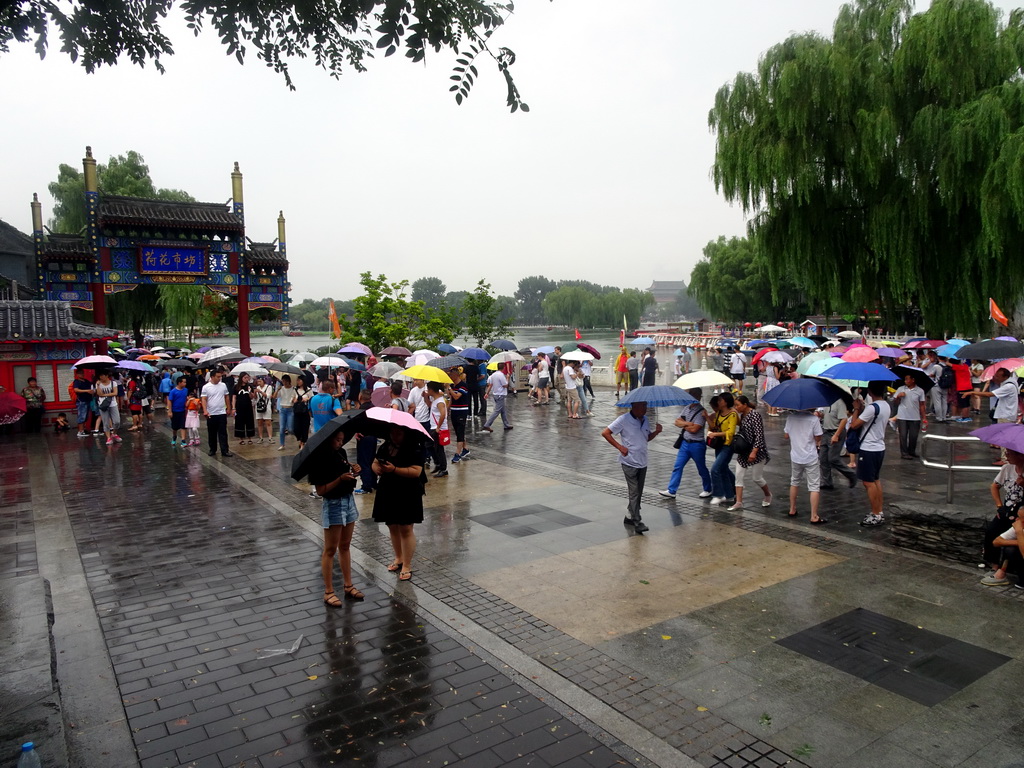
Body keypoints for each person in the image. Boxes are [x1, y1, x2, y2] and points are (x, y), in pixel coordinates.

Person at [309, 429, 364, 604]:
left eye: (342, 440)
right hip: (333, 504)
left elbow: (347, 474)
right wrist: (340, 479)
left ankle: (348, 585)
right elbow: (321, 490)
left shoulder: (341, 453)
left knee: (346, 545)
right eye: (337, 440)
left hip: (348, 500)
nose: (340, 443)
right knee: (330, 549)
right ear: (329, 440)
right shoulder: (319, 458)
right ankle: (328, 591)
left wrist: (354, 471)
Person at [372, 425, 426, 582]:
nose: (395, 436)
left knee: (405, 527)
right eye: (392, 432)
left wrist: (394, 469)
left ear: (405, 433)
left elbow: (416, 471)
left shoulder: (414, 448)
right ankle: (398, 558)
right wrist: (377, 468)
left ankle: (407, 565)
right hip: (388, 488)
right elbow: (375, 462)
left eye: (399, 433)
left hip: (408, 490)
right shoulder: (386, 446)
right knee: (392, 525)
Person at [602, 402, 662, 533]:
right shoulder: (623, 419)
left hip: (642, 461)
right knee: (634, 491)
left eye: (646, 406)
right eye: (643, 407)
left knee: (638, 492)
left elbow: (645, 438)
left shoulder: (645, 420)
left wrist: (656, 432)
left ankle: (630, 515)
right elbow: (606, 433)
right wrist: (620, 447)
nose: (645, 409)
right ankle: (637, 520)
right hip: (629, 462)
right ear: (634, 407)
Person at [659, 387, 713, 500]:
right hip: (685, 443)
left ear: (698, 396)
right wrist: (689, 423)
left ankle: (708, 489)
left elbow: (695, 429)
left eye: (694, 395)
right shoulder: (686, 408)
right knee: (677, 466)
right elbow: (677, 422)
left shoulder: (701, 412)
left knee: (701, 468)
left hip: (697, 444)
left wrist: (683, 424)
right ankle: (672, 490)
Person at [850, 380, 891, 526]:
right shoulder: (885, 405)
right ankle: (879, 511)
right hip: (879, 447)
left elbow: (854, 425)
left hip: (868, 448)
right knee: (875, 480)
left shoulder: (872, 408)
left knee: (868, 482)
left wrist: (856, 409)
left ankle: (875, 513)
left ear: (870, 392)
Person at [969, 368, 1021, 464]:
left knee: (1005, 438)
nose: (996, 377)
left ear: (1005, 377)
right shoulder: (1010, 383)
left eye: (998, 376)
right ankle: (1005, 457)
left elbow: (990, 394)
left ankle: (1005, 459)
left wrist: (972, 392)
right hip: (1005, 413)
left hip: (1006, 415)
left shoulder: (1008, 386)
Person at [783, 408, 826, 523]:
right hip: (810, 456)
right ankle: (814, 516)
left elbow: (786, 435)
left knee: (794, 482)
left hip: (796, 455)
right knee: (814, 486)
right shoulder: (814, 419)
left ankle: (792, 509)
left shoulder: (790, 418)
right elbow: (818, 437)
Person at [731, 395, 772, 511]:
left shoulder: (755, 415)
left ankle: (768, 494)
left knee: (757, 478)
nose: (736, 407)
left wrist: (754, 452)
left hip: (757, 450)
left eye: (738, 405)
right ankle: (739, 502)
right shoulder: (742, 415)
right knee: (738, 475)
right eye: (735, 405)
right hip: (744, 450)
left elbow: (759, 435)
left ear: (745, 405)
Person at [706, 393, 738, 505]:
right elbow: (714, 426)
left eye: (720, 400)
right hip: (718, 445)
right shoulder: (719, 413)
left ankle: (718, 494)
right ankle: (730, 495)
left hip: (727, 445)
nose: (718, 402)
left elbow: (731, 432)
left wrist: (716, 434)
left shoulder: (733, 414)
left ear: (725, 401)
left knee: (715, 469)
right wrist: (707, 418)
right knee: (723, 469)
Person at [819, 398, 857, 488]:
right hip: (826, 431)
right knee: (823, 458)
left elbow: (844, 419)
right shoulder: (826, 402)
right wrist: (821, 415)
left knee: (833, 458)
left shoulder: (839, 402)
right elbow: (826, 415)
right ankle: (826, 482)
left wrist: (836, 435)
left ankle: (851, 474)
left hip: (835, 431)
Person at [891, 374, 927, 459]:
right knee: (903, 435)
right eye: (905, 379)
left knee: (913, 436)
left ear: (913, 380)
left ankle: (912, 451)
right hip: (902, 416)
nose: (905, 381)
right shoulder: (901, 389)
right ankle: (904, 453)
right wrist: (898, 397)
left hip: (915, 416)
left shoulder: (920, 391)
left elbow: (922, 405)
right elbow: (895, 403)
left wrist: (924, 417)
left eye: (907, 379)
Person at [201, 369, 233, 457]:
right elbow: (203, 399)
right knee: (212, 433)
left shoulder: (223, 385)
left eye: (220, 376)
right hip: (211, 413)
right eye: (218, 377)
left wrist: (228, 407)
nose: (219, 378)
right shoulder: (206, 387)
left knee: (223, 433)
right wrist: (205, 410)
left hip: (221, 412)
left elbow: (226, 397)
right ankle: (212, 449)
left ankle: (225, 450)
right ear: (212, 377)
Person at [353, 389, 378, 495]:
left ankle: (366, 486)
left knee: (363, 462)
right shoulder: (374, 407)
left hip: (364, 438)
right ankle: (373, 482)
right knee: (371, 460)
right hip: (373, 437)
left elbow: (357, 424)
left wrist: (356, 431)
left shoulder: (362, 409)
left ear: (361, 397)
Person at [425, 381, 449, 477]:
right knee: (429, 445)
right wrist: (425, 397)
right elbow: (430, 406)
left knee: (439, 448)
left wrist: (438, 427)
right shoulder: (435, 399)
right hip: (433, 426)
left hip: (438, 428)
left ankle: (443, 468)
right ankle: (438, 464)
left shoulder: (440, 401)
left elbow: (443, 414)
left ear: (431, 390)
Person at [94, 369, 122, 446]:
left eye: (102, 375)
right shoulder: (98, 384)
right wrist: (98, 386)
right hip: (103, 404)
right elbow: (99, 394)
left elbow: (115, 393)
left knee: (117, 421)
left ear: (106, 376)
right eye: (100, 376)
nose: (101, 377)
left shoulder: (113, 383)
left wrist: (104, 395)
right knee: (105, 422)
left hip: (113, 404)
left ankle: (114, 433)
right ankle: (108, 437)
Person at [448, 369, 471, 463]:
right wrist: (447, 408)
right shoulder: (452, 386)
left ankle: (457, 453)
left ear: (456, 375)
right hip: (454, 410)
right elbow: (451, 399)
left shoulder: (463, 385)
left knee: (460, 431)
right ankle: (465, 449)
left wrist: (449, 389)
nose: (450, 377)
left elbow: (457, 396)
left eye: (451, 375)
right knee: (457, 431)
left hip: (462, 411)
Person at [481, 364, 512, 432]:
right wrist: (508, 378)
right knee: (497, 411)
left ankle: (506, 424)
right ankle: (487, 425)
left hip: (496, 394)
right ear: (503, 368)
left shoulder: (493, 375)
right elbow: (505, 385)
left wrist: (487, 393)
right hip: (500, 394)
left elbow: (490, 385)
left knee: (503, 410)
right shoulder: (501, 375)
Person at [923, 350, 948, 423]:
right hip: (946, 385)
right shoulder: (947, 366)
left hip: (936, 385)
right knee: (944, 402)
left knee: (937, 402)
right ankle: (944, 417)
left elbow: (931, 374)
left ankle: (939, 417)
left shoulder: (936, 366)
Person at [233, 373, 256, 445]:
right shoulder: (236, 387)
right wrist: (233, 407)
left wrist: (250, 392)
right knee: (240, 422)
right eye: (245, 377)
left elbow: (252, 397)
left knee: (249, 421)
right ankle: (241, 438)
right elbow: (234, 397)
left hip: (248, 406)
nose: (247, 379)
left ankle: (250, 438)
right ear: (241, 378)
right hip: (239, 406)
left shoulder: (249, 386)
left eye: (247, 378)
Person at [275, 374, 297, 451]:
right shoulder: (281, 389)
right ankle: (282, 444)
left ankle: (298, 436)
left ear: (289, 381)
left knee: (290, 429)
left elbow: (295, 398)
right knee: (282, 428)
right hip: (283, 409)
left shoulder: (293, 389)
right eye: (283, 381)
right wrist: (277, 390)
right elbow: (274, 396)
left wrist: (294, 400)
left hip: (290, 409)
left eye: (285, 381)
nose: (284, 383)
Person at [166, 376, 189, 446]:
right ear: (179, 383)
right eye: (184, 382)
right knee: (175, 427)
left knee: (183, 426)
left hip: (182, 411)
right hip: (175, 411)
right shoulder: (173, 392)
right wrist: (170, 411)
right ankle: (174, 436)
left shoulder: (185, 390)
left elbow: (186, 398)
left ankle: (183, 440)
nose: (185, 383)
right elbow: (170, 401)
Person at [292, 378, 313, 450]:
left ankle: (303, 441)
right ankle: (300, 438)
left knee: (305, 427)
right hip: (297, 411)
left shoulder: (308, 390)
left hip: (305, 411)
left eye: (299, 380)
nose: (298, 382)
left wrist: (306, 399)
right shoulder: (294, 389)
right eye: (297, 380)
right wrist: (295, 400)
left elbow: (312, 398)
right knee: (296, 428)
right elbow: (292, 399)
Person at [72, 369, 94, 437]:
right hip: (81, 400)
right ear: (77, 374)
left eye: (83, 373)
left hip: (87, 400)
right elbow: (76, 389)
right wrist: (86, 391)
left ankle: (83, 429)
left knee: (86, 416)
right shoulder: (77, 381)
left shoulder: (86, 381)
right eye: (80, 373)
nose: (82, 374)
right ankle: (80, 431)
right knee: (81, 415)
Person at [254, 377, 274, 442]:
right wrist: (254, 392)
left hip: (266, 405)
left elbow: (268, 395)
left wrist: (260, 392)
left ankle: (270, 437)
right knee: (259, 422)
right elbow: (255, 397)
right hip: (259, 405)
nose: (259, 383)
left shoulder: (269, 387)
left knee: (268, 421)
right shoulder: (257, 387)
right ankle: (260, 437)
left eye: (260, 381)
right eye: (258, 382)